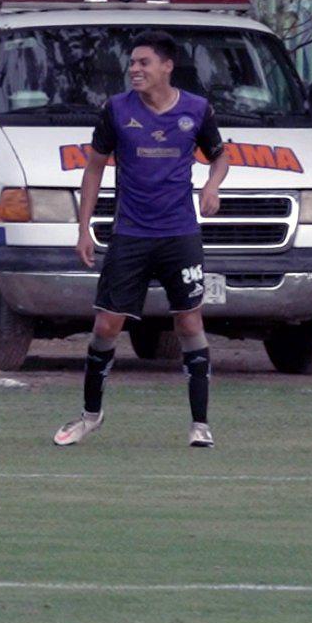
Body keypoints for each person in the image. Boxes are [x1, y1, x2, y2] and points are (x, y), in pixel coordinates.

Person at [53, 31, 229, 449]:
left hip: (180, 234)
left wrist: (212, 184)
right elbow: (94, 168)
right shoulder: (116, 110)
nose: (135, 69)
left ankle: (200, 424)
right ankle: (91, 415)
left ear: (167, 66)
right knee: (105, 325)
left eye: (144, 62)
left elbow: (220, 155)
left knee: (189, 321)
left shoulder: (196, 110)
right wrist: (83, 228)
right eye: (132, 63)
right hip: (130, 235)